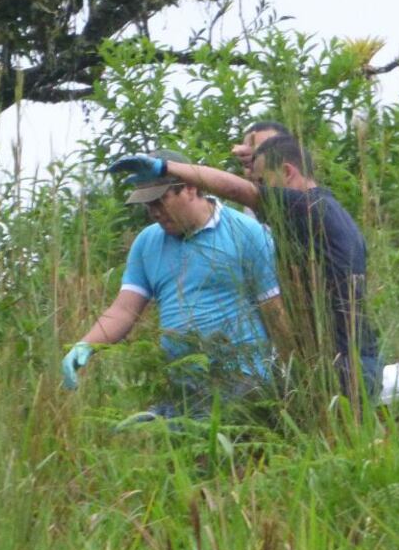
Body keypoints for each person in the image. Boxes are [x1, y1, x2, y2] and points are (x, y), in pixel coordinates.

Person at [109, 136, 383, 402]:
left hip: (343, 365)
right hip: (353, 357)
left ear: (288, 173)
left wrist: (166, 168)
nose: (259, 187)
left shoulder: (308, 208)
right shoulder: (330, 215)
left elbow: (238, 191)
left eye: (263, 181)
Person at [62, 149, 285, 422]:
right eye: (148, 205)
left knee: (205, 445)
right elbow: (124, 310)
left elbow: (274, 309)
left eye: (160, 201)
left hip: (242, 375)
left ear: (190, 188)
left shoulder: (246, 233)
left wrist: (293, 374)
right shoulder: (147, 243)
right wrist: (85, 345)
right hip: (181, 381)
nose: (154, 212)